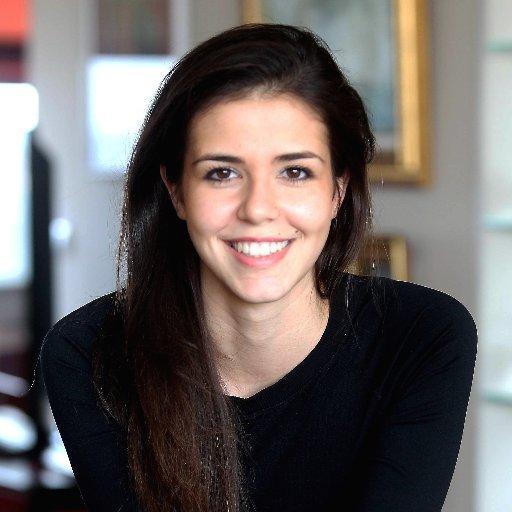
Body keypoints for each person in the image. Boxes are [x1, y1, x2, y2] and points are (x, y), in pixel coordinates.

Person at [38, 23, 478, 512]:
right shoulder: (88, 354)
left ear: (337, 191)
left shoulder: (421, 335)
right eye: (222, 173)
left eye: (295, 172)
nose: (258, 209)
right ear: (177, 191)